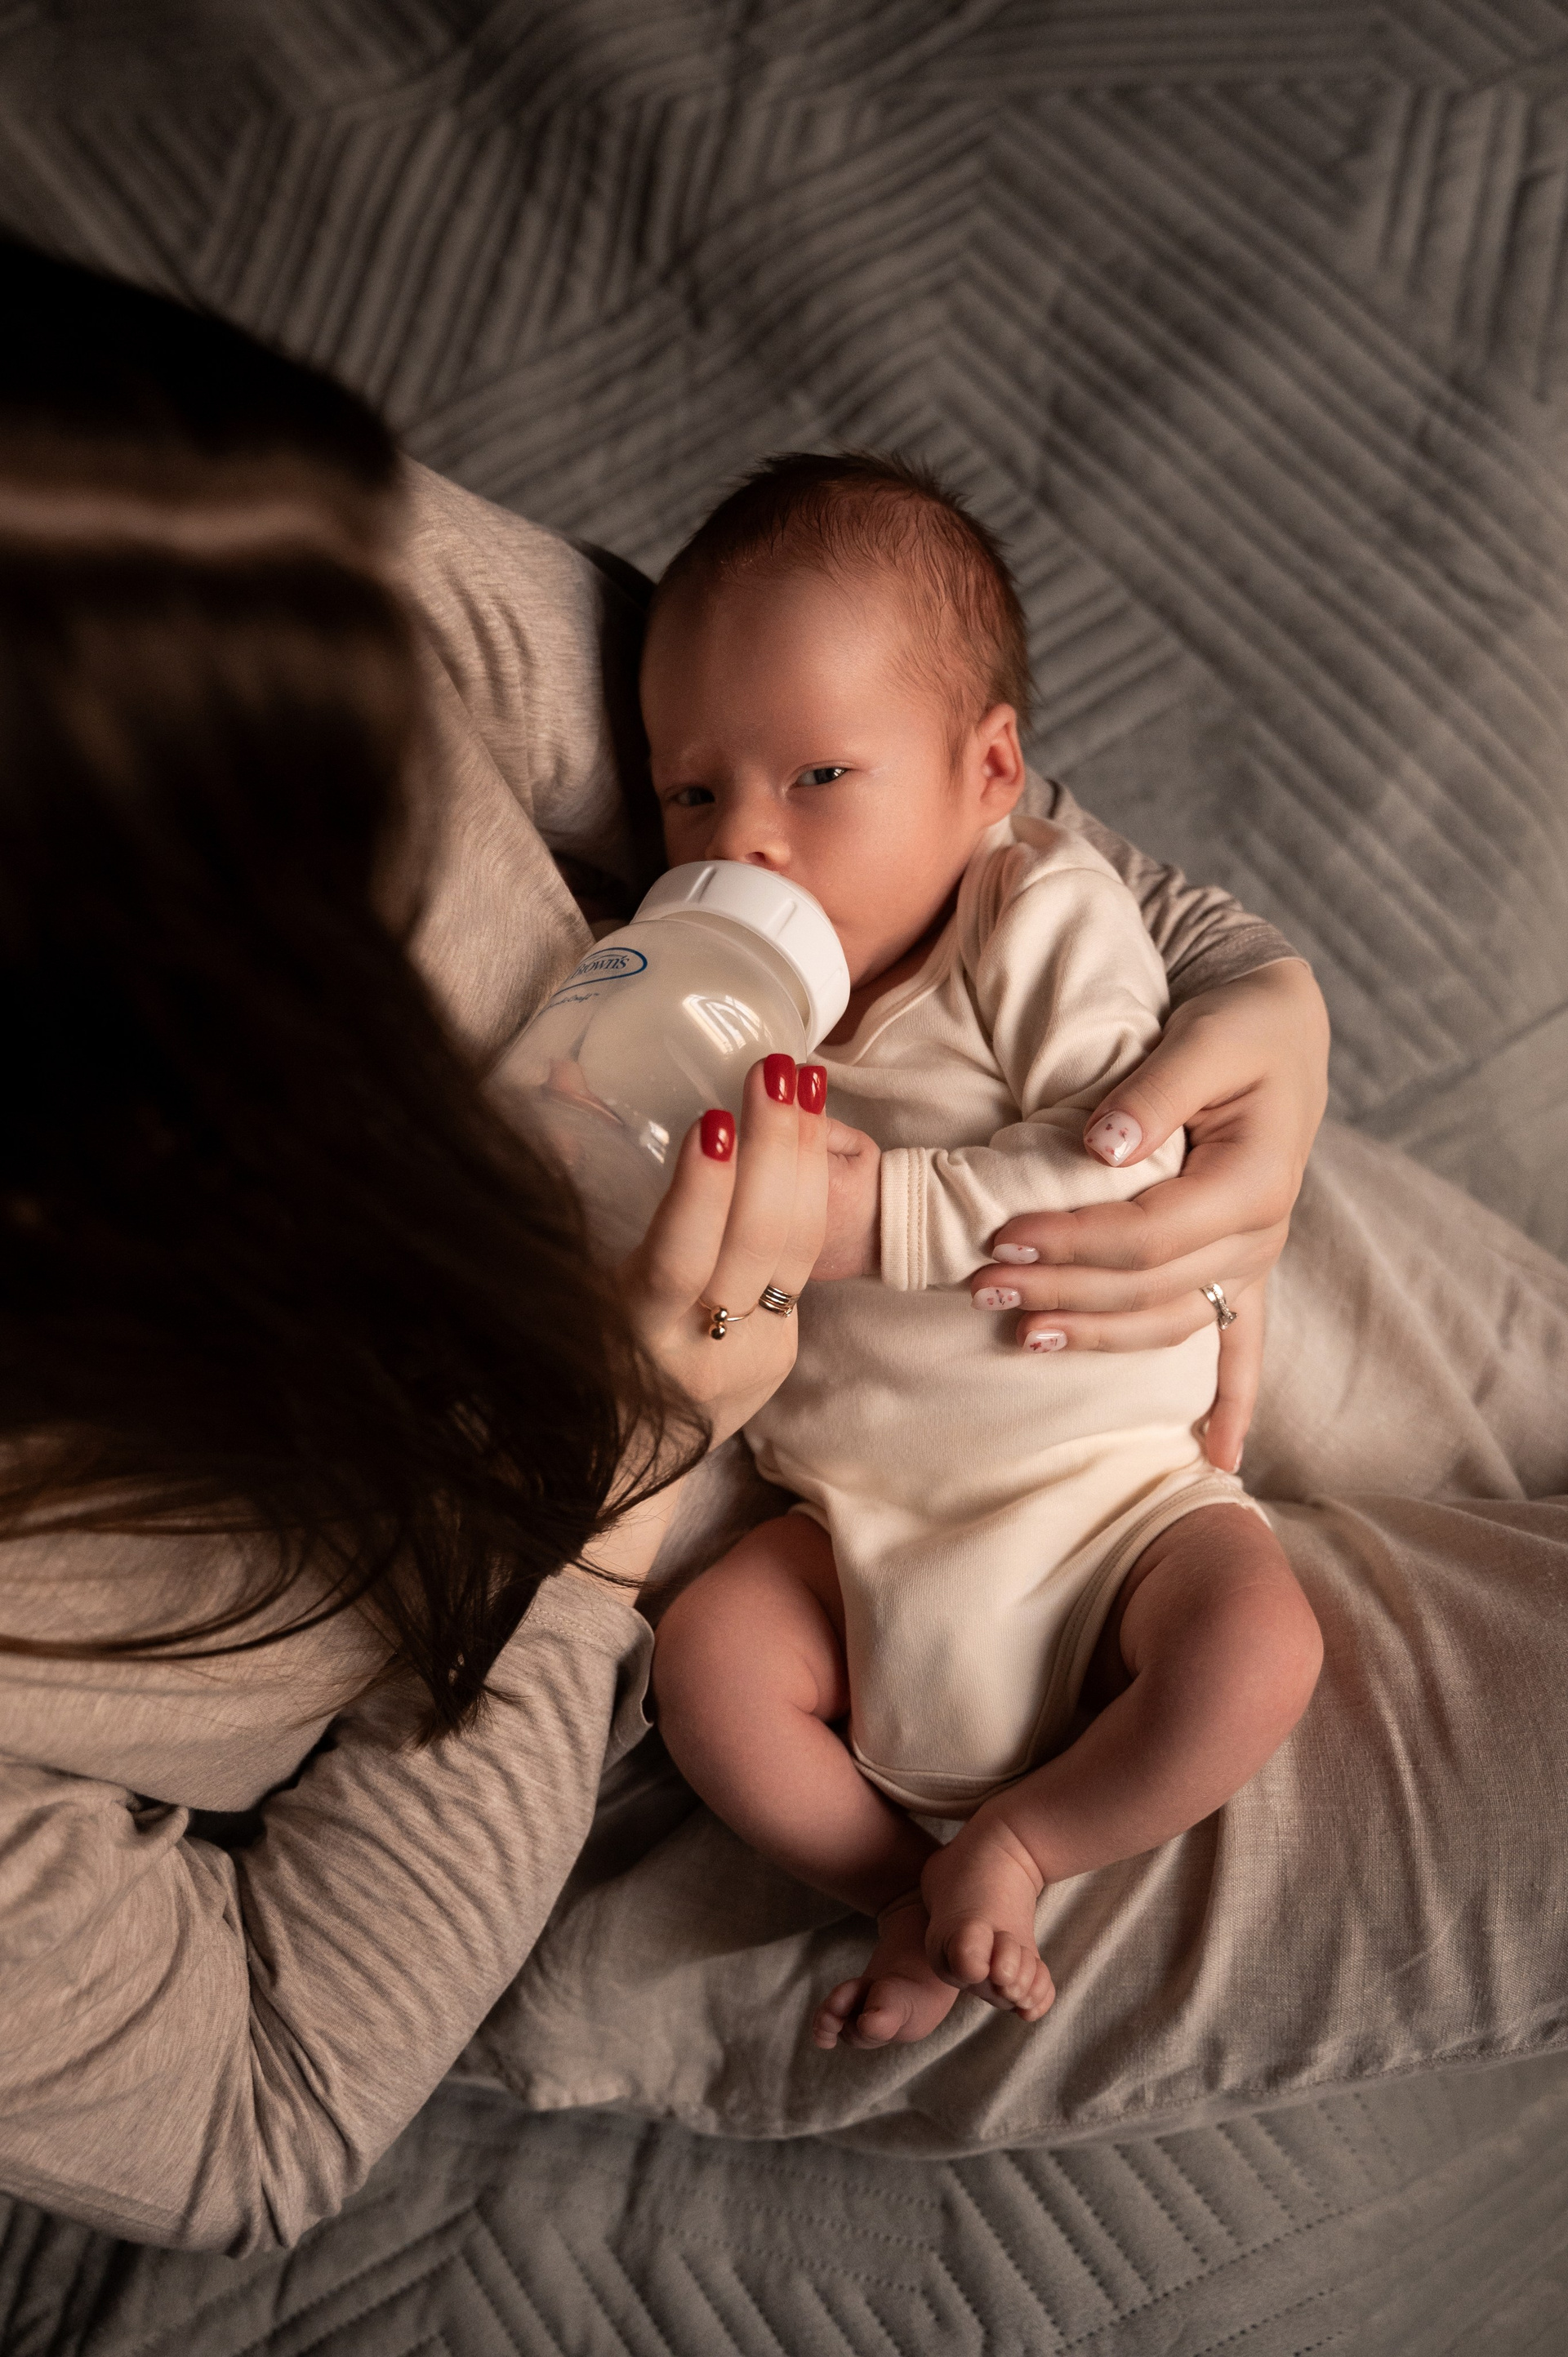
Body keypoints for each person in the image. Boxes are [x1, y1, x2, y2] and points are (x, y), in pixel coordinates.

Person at [0, 244, 1329, 2251]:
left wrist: (1255, 999)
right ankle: (944, 1879)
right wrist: (613, 1495)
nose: (725, 838)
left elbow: (867, 729)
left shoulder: (122, 507)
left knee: (1322, 1620)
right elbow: (250, 2125)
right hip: (652, 1655)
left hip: (1093, 1335)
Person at [644, 454, 1324, 2050]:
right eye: (692, 795)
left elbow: (1125, 1169)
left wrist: (876, 1215)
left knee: (1261, 1649)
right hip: (858, 1529)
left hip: (1109, 1499)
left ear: (990, 771)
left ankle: (1024, 1843)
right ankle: (901, 1888)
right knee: (709, 1664)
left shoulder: (1036, 925)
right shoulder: (713, 999)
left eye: (819, 776)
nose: (749, 843)